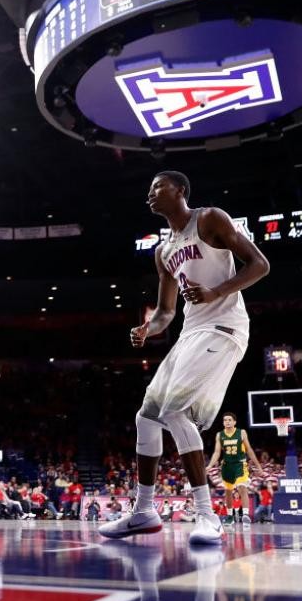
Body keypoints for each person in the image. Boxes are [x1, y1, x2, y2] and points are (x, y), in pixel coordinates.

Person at [99, 171, 270, 545]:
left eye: (157, 187)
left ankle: (208, 517)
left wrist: (215, 292)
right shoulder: (163, 251)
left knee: (175, 410)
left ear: (180, 190)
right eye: (148, 190)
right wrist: (148, 328)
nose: (150, 194)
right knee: (145, 417)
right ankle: (144, 512)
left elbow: (260, 264)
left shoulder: (209, 219)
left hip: (224, 328)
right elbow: (165, 312)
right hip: (190, 334)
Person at [206, 412, 263, 524]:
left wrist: (258, 466)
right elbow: (217, 452)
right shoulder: (219, 435)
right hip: (227, 466)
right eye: (225, 420)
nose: (227, 422)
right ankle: (230, 516)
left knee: (242, 487)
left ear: (234, 422)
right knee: (228, 491)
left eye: (229, 420)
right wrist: (210, 465)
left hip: (240, 464)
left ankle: (245, 515)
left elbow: (249, 450)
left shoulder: (241, 433)